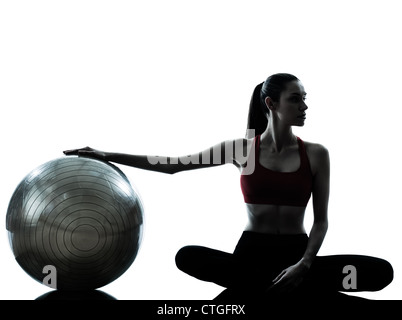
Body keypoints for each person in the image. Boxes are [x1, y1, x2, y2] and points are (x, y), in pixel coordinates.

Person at [64, 73, 393, 301]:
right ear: (271, 103)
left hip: (297, 251)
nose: (305, 107)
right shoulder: (242, 150)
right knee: (187, 257)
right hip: (250, 253)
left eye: (305, 100)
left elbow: (321, 220)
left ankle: (274, 285)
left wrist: (304, 264)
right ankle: (295, 288)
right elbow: (173, 164)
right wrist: (106, 154)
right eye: (296, 100)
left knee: (381, 272)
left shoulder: (317, 154)